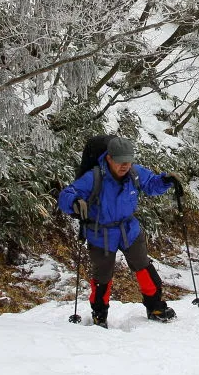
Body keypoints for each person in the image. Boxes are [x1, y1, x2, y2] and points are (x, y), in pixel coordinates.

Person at [58, 136, 183, 328]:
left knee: (144, 267)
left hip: (128, 229)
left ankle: (155, 307)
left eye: (128, 160)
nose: (125, 165)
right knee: (102, 277)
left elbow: (151, 184)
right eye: (120, 161)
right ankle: (100, 314)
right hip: (100, 234)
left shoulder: (135, 173)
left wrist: (166, 180)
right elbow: (66, 194)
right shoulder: (94, 177)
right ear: (109, 158)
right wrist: (75, 202)